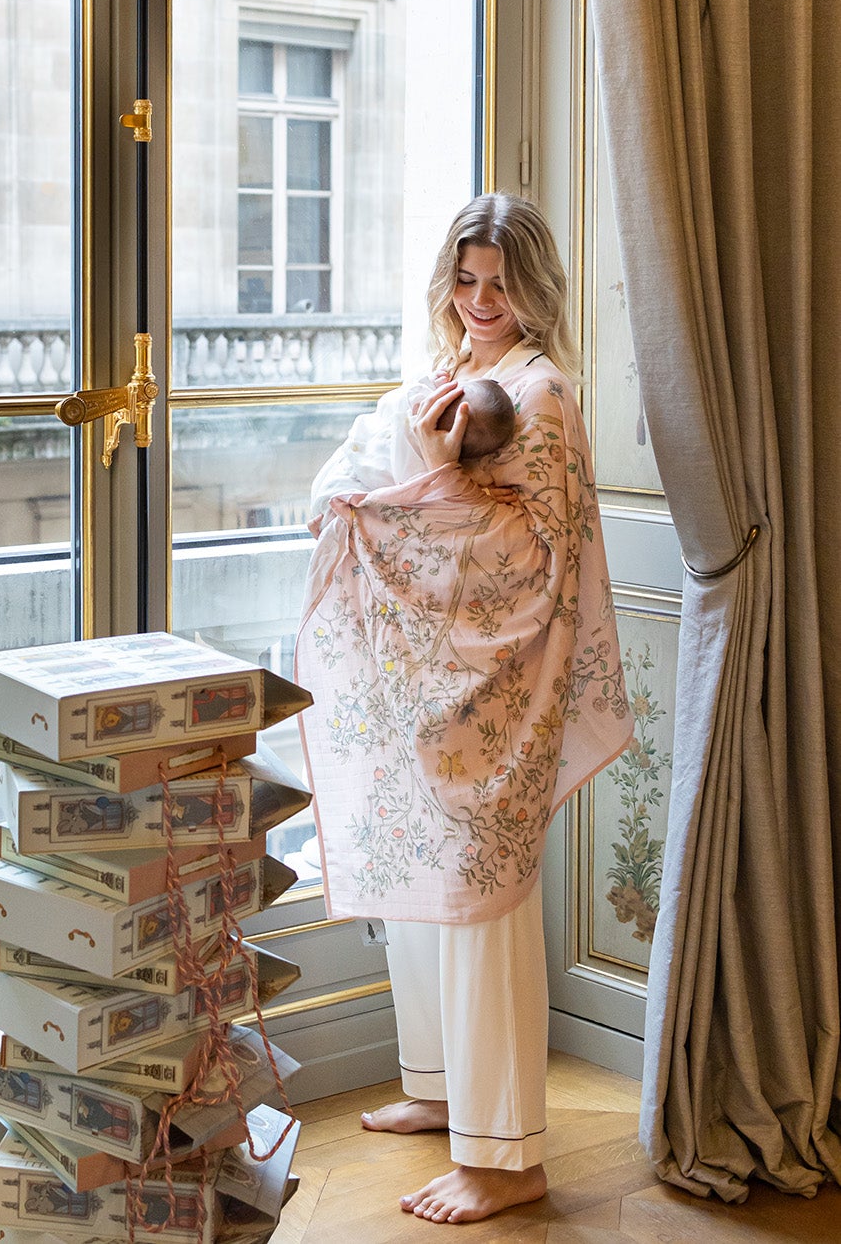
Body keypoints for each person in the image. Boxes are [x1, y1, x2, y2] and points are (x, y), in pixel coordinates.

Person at [295, 193, 632, 1226]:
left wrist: (425, 484)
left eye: (501, 284)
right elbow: (386, 473)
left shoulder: (540, 393)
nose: (481, 301)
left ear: (535, 290)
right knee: (422, 888)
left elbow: (525, 552)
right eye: (466, 279)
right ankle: (439, 1087)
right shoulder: (445, 373)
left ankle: (506, 1155)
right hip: (424, 680)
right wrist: (378, 492)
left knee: (485, 903)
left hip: (498, 689)